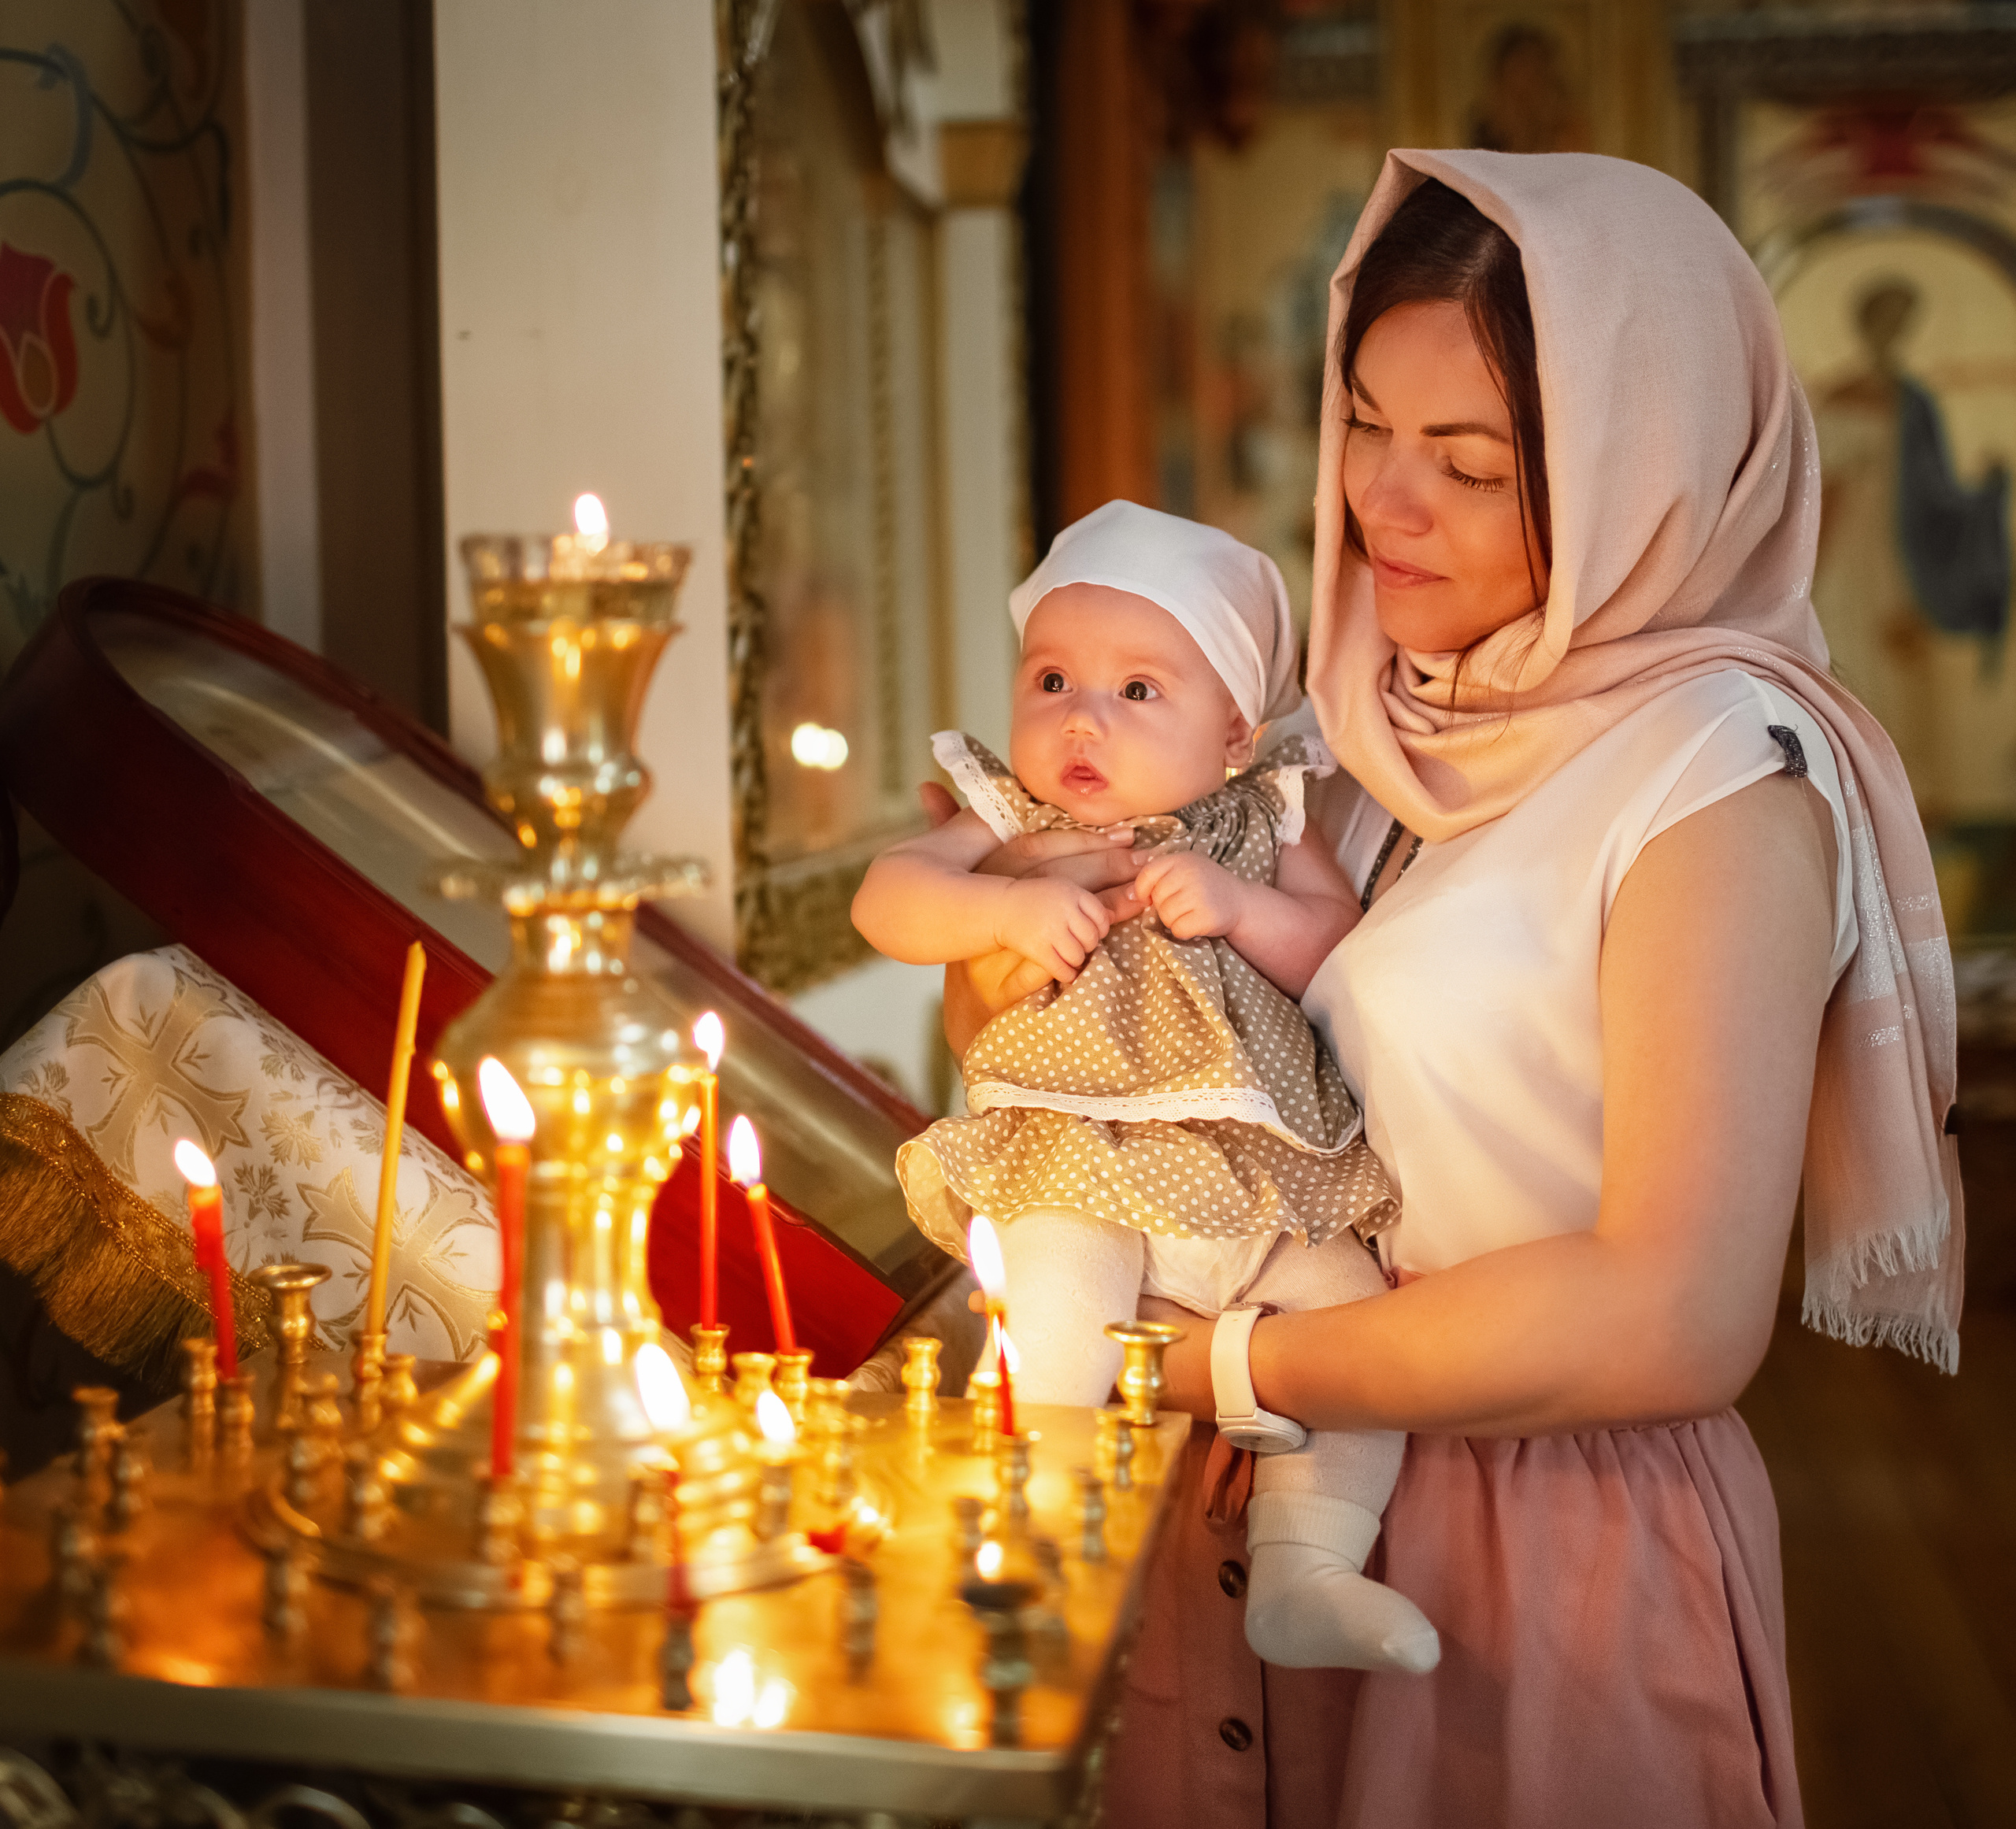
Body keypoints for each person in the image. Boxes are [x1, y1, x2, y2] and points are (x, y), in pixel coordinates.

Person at [936, 152, 1963, 1827]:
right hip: (1245, 1507)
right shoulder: (1350, 722)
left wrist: (1215, 1367)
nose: (1378, 504)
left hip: (1525, 1532)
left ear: (1644, 469)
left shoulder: (1717, 778)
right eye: (1362, 425)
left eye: (1468, 463)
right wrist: (1024, 956)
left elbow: (1673, 1312)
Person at [853, 500, 1438, 1674]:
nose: (1083, 720)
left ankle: (1307, 1566)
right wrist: (1005, 904)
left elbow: (1339, 946)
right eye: (1055, 680)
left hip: (1259, 1185)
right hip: (1083, 1165)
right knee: (1059, 1310)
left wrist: (1245, 909)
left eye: (1137, 692)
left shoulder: (1266, 811)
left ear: (1233, 730)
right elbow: (886, 899)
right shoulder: (1010, 818)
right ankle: (1033, 1534)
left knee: (1357, 1325)